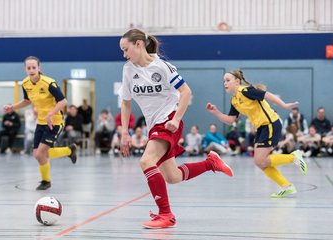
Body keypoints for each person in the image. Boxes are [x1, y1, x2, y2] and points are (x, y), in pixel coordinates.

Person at [119, 29, 233, 229]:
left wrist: (177, 118)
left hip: (169, 120)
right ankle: (210, 163)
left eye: (126, 49)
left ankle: (166, 215)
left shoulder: (162, 67)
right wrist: (123, 132)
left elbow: (186, 92)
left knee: (146, 161)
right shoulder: (128, 69)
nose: (124, 54)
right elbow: (126, 102)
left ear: (138, 44)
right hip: (154, 125)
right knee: (173, 177)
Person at [206, 69, 307, 198]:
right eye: (223, 81)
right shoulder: (234, 100)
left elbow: (266, 94)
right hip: (261, 128)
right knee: (260, 162)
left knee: (260, 160)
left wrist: (283, 105)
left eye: (228, 80)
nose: (225, 83)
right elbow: (231, 120)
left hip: (271, 124)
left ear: (237, 81)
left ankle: (294, 157)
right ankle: (286, 186)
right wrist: (216, 112)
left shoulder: (245, 91)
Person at [3, 56, 77, 190]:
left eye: (34, 67)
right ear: (25, 69)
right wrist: (12, 107)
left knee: (39, 154)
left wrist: (50, 114)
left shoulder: (49, 83)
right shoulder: (25, 83)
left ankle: (46, 181)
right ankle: (68, 151)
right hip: (41, 122)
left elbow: (63, 101)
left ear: (39, 68)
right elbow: (27, 101)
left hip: (55, 122)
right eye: (28, 68)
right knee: (37, 154)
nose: (31, 70)